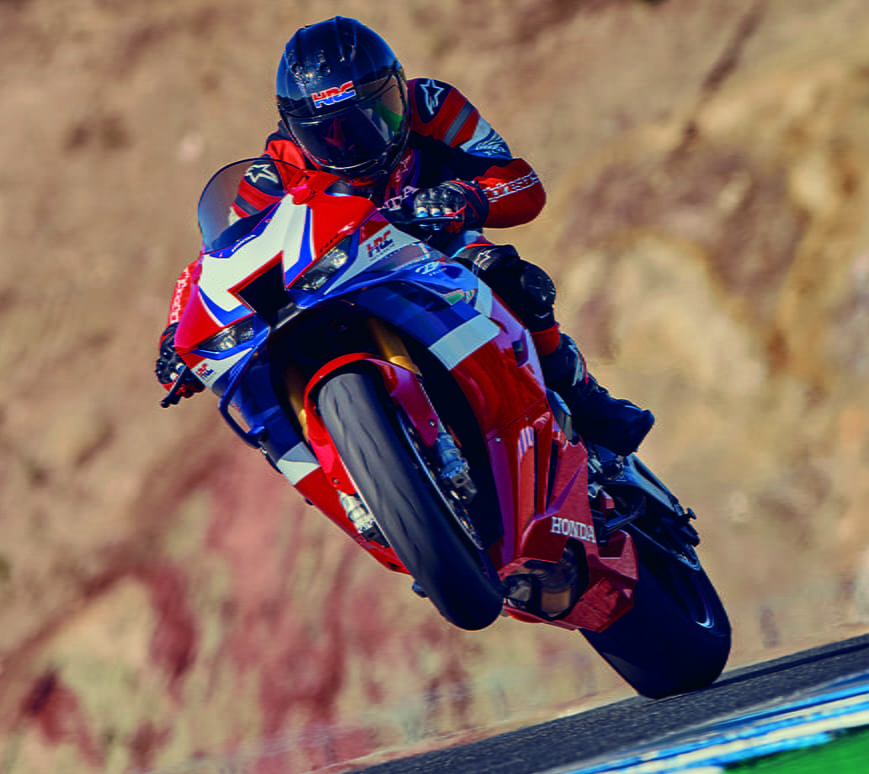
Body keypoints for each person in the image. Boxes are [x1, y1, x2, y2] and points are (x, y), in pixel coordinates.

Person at [156, 15, 654, 455]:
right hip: (339, 278)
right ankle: (356, 482)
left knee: (508, 276)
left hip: (436, 250)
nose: (354, 142)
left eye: (375, 116)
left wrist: (465, 197)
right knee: (268, 378)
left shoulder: (434, 105)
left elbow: (522, 184)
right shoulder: (275, 169)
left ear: (399, 87)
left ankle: (583, 397)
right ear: (294, 129)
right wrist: (177, 335)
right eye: (327, 132)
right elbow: (218, 260)